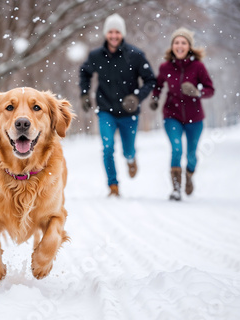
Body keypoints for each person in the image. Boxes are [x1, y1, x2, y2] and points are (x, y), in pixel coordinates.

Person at [79, 13, 156, 197]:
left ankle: (130, 159)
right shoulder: (96, 55)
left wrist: (137, 97)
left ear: (122, 34)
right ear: (106, 33)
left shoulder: (136, 55)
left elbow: (150, 80)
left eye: (117, 32)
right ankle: (113, 186)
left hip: (129, 113)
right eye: (110, 32)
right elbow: (85, 73)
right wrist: (84, 94)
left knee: (127, 150)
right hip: (106, 110)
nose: (114, 36)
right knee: (107, 148)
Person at [150, 27, 215, 201]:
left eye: (183, 43)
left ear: (189, 46)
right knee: (177, 149)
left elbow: (210, 89)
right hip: (172, 115)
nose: (180, 46)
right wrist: (155, 99)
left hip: (195, 117)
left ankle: (189, 176)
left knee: (191, 154)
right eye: (176, 42)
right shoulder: (165, 67)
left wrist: (197, 92)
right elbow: (157, 86)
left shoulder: (198, 66)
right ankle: (176, 189)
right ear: (172, 46)